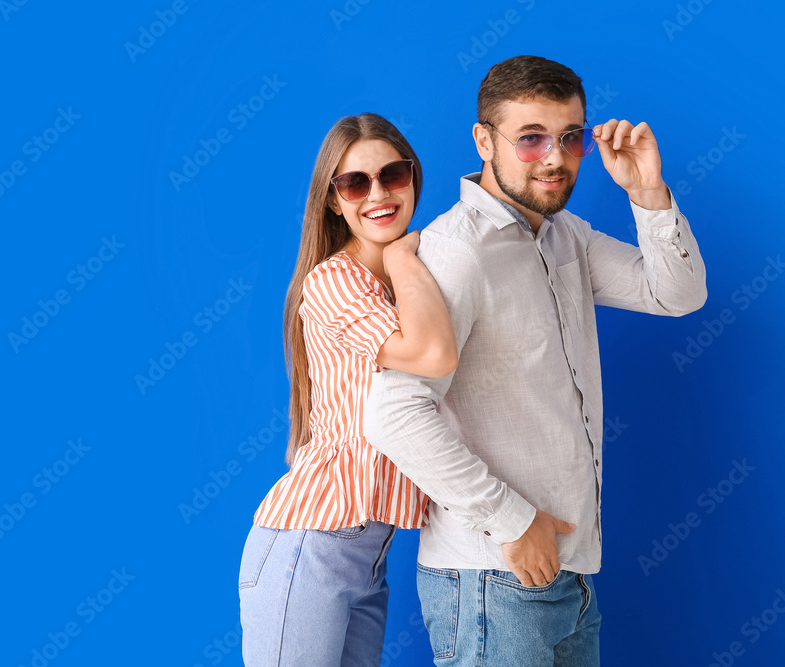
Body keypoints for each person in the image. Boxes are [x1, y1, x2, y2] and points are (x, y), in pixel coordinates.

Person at [363, 55, 707, 666]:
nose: (555, 157)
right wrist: (515, 522)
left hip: (568, 573)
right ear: (483, 140)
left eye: (570, 137)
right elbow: (394, 412)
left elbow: (676, 294)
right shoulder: (456, 253)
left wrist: (648, 193)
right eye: (530, 139)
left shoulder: (563, 234)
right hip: (494, 576)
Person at [238, 113, 458, 666]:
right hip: (310, 546)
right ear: (334, 200)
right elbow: (434, 355)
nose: (378, 194)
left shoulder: (407, 279)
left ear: (413, 177)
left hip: (370, 555)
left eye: (393, 174)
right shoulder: (335, 282)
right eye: (355, 182)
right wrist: (404, 252)